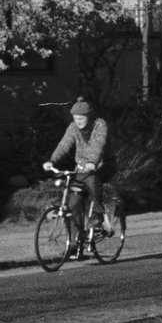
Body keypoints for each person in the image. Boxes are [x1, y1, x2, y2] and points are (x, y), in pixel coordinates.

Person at [44, 97, 116, 232]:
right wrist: (51, 161)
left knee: (92, 180)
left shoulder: (100, 125)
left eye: (81, 118)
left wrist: (91, 162)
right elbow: (64, 145)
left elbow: (98, 145)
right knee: (74, 203)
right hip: (83, 168)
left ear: (89, 116)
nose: (78, 121)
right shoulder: (73, 128)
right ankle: (74, 243)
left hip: (103, 165)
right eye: (75, 118)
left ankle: (97, 218)